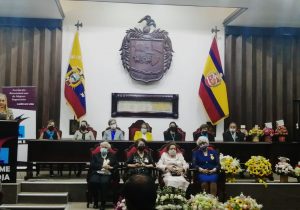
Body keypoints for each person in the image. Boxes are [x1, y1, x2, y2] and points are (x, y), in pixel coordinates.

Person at [89, 141, 118, 210]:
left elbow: (117, 165)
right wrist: (102, 166)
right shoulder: (95, 155)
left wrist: (111, 167)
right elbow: (92, 165)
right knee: (93, 182)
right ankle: (95, 201)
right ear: (100, 148)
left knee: (104, 183)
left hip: (107, 173)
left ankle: (103, 203)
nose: (103, 148)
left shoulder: (112, 155)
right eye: (102, 147)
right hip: (97, 172)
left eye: (105, 147)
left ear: (108, 149)